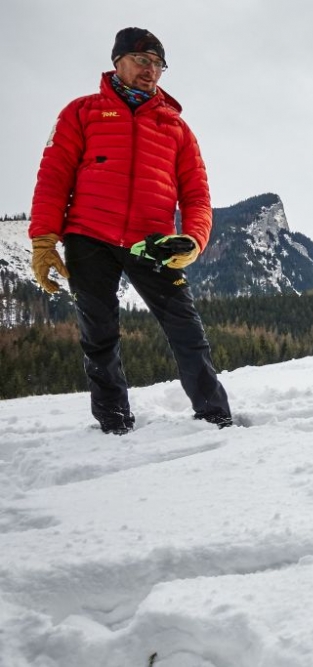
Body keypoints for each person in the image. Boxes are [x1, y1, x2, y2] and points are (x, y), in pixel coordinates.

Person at [29, 27, 231, 434]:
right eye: (143, 60)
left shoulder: (176, 128)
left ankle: (215, 416)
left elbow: (196, 194)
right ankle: (113, 422)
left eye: (158, 64)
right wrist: (44, 238)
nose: (151, 71)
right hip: (89, 237)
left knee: (186, 330)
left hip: (151, 244)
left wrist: (193, 239)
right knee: (99, 337)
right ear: (117, 61)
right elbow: (53, 177)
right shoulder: (81, 113)